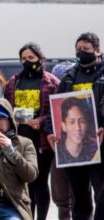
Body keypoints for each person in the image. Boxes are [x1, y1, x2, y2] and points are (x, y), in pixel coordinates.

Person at [45, 32, 104, 220]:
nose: (81, 53)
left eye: (85, 49)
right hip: (75, 148)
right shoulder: (70, 77)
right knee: (79, 195)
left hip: (100, 144)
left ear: (97, 50)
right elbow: (53, 108)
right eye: (78, 49)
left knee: (102, 193)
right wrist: (50, 131)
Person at [4, 42, 59, 220]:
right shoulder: (13, 82)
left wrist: (41, 121)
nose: (27, 61)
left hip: (41, 139)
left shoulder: (52, 82)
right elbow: (7, 107)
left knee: (40, 182)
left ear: (40, 58)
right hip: (20, 138)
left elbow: (57, 110)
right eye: (23, 58)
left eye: (31, 58)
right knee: (24, 182)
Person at [50, 62, 74, 220]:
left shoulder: (81, 100)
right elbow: (47, 118)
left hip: (82, 150)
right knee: (61, 196)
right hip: (58, 150)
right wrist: (48, 131)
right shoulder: (52, 99)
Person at [57, 97, 98, 165]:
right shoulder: (57, 152)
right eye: (72, 122)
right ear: (64, 126)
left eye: (82, 121)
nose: (78, 127)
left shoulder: (94, 150)